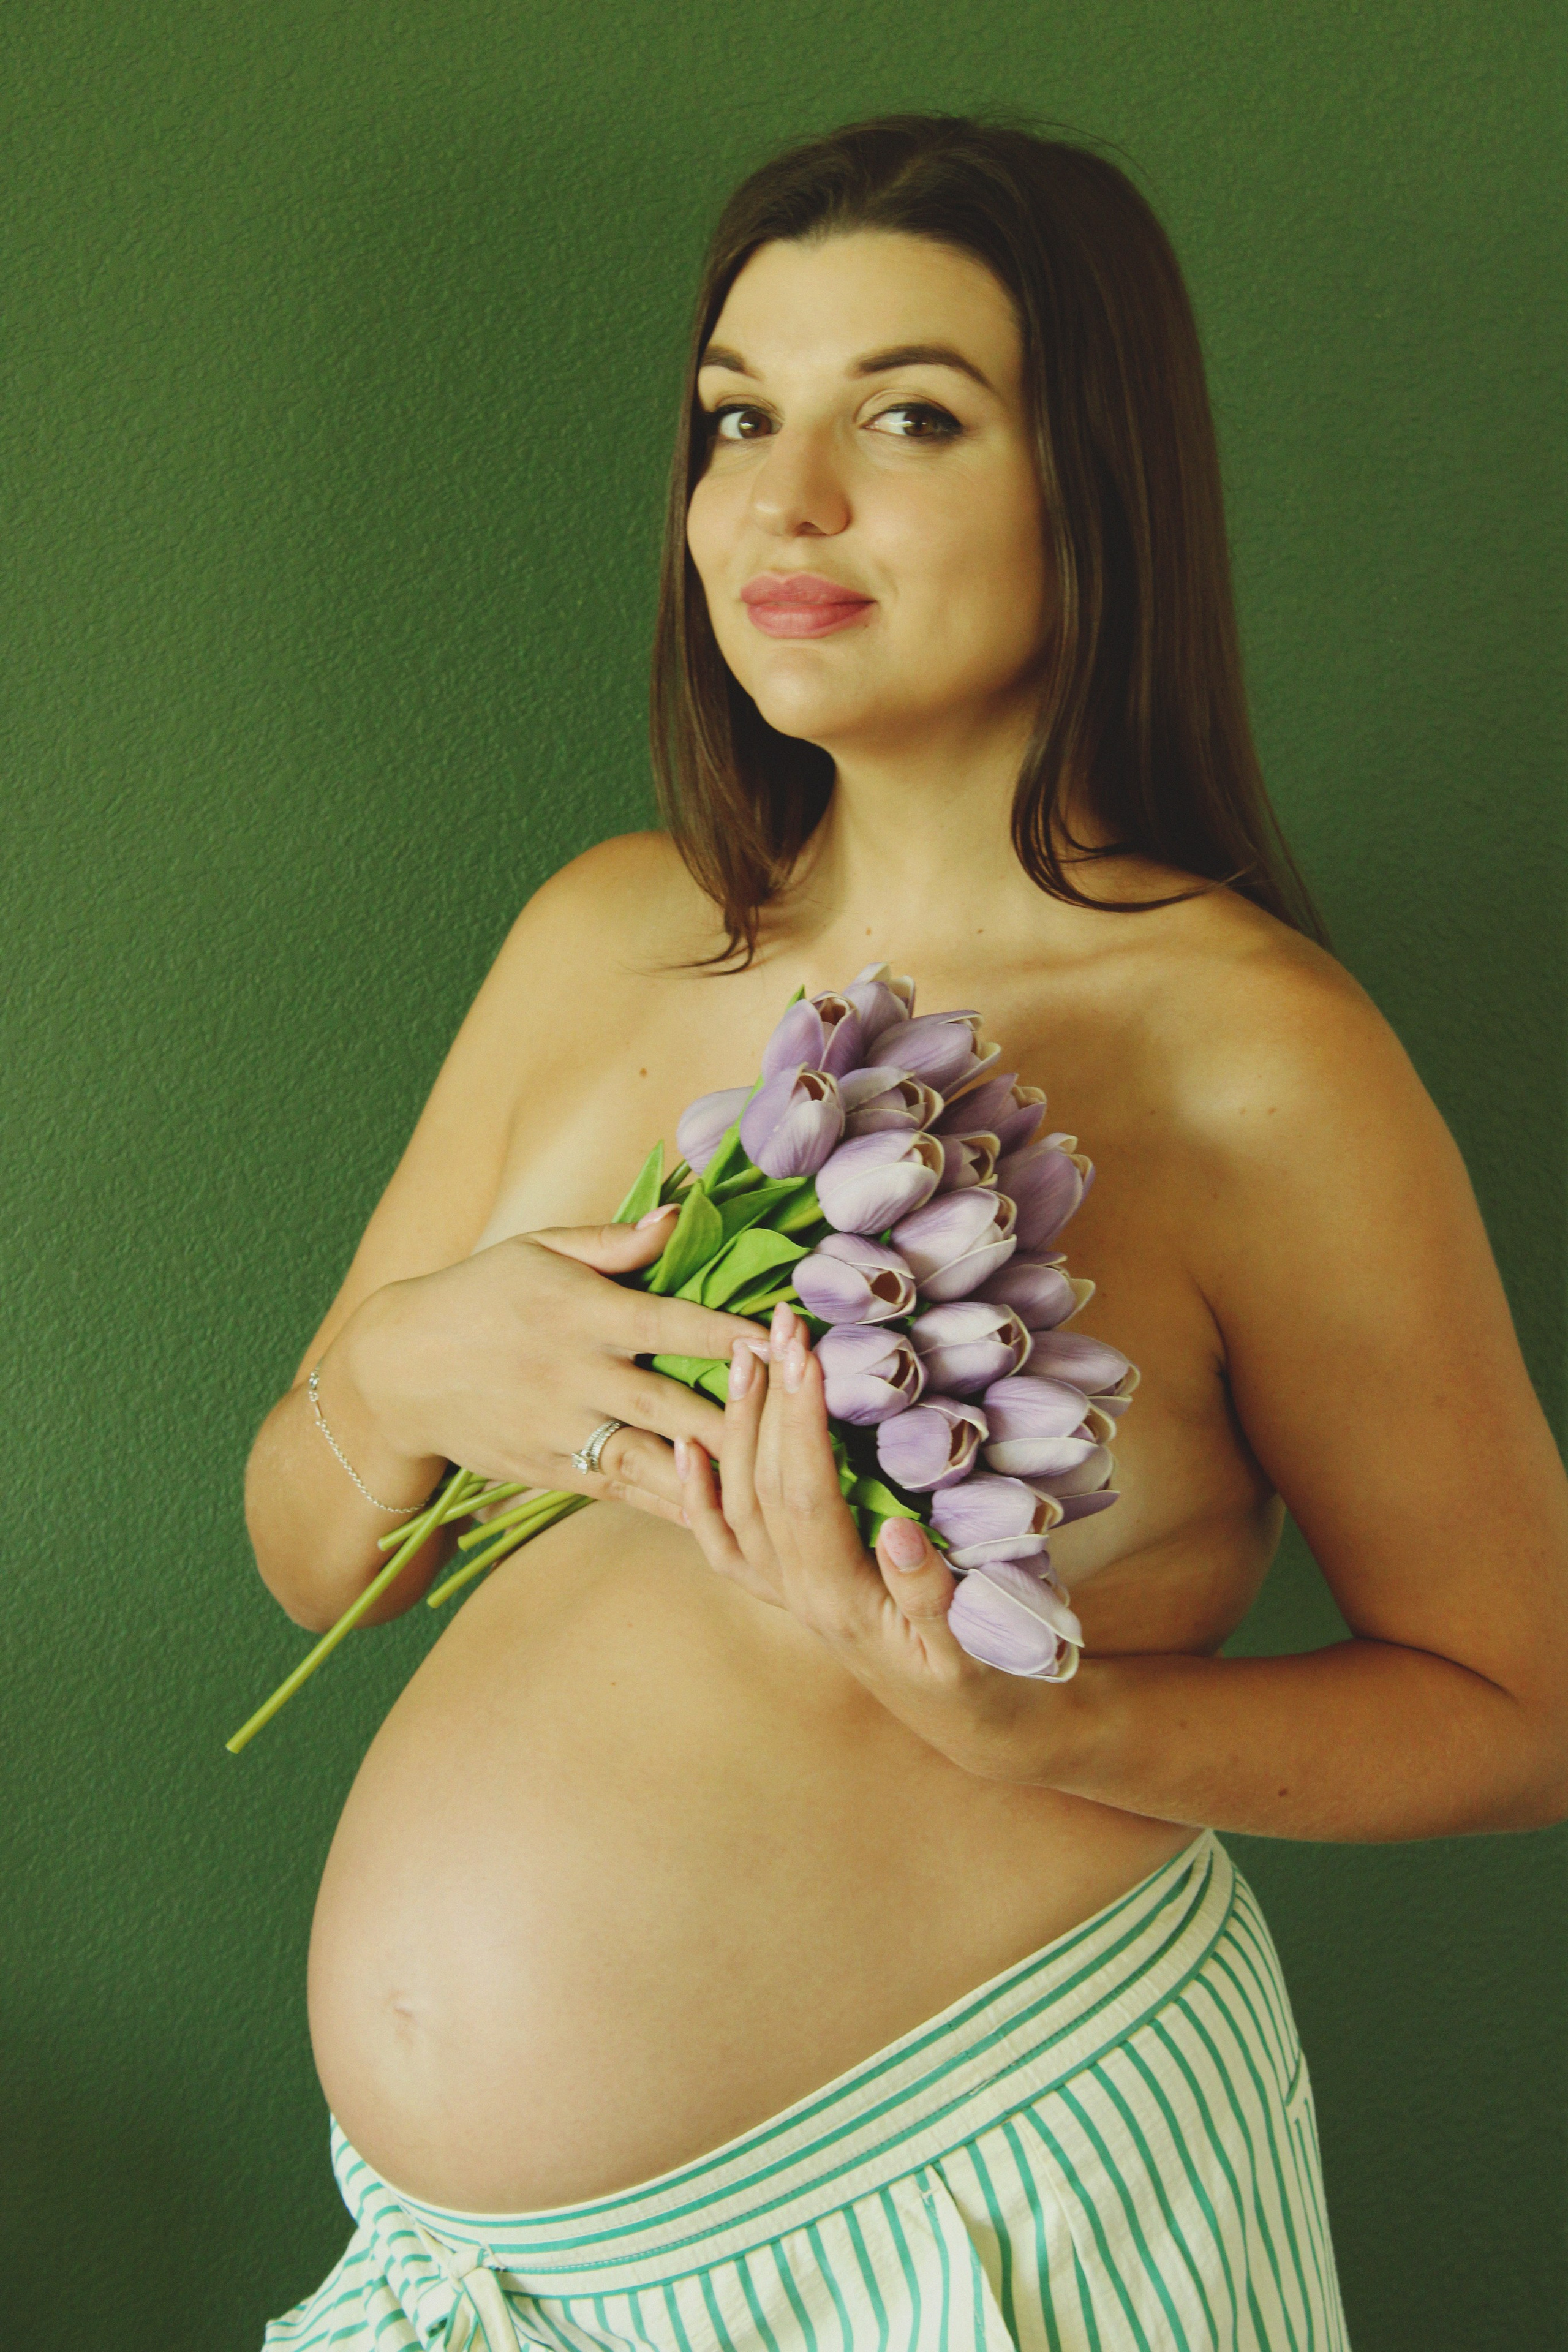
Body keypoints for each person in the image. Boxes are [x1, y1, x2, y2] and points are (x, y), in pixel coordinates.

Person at [251, 113, 1568, 2351]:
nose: (785, 501)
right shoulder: (598, 940)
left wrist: (1059, 1733)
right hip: (474, 2283)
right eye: (739, 417)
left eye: (913, 417)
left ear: (1100, 489)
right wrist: (391, 1383)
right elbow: (317, 1562)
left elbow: (1522, 1703)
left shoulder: (1251, 1052)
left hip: (987, 2224)